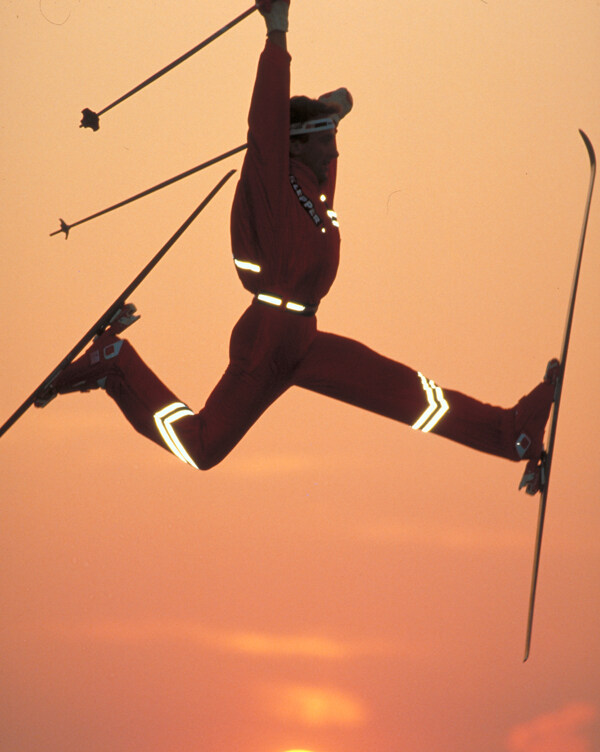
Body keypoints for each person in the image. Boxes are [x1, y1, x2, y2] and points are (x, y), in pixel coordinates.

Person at [47, 0, 557, 494]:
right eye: (324, 140)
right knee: (202, 447)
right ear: (293, 143)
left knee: (413, 398)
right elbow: (266, 121)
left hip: (303, 340)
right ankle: (116, 364)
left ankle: (509, 432)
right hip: (267, 341)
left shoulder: (314, 181)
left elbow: (330, 126)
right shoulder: (272, 179)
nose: (334, 151)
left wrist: (335, 109)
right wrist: (277, 31)